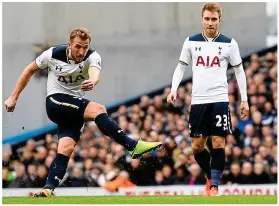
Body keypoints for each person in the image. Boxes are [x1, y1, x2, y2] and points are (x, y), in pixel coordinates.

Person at [4, 27, 162, 197]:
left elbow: (95, 72)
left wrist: (93, 81)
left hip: (74, 110)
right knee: (99, 109)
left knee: (66, 148)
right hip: (55, 102)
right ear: (69, 45)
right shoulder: (52, 54)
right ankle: (132, 145)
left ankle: (48, 188)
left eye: (85, 47)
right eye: (78, 46)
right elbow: (29, 70)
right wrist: (13, 97)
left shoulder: (92, 56)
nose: (81, 51)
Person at [167, 3, 249, 196]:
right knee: (197, 146)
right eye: (207, 18)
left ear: (219, 20)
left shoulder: (229, 43)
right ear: (202, 19)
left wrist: (244, 100)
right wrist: (173, 89)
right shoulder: (191, 42)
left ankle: (214, 187)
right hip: (198, 100)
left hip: (219, 98)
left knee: (219, 142)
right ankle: (209, 177)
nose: (210, 22)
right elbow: (181, 67)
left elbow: (239, 70)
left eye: (214, 19)